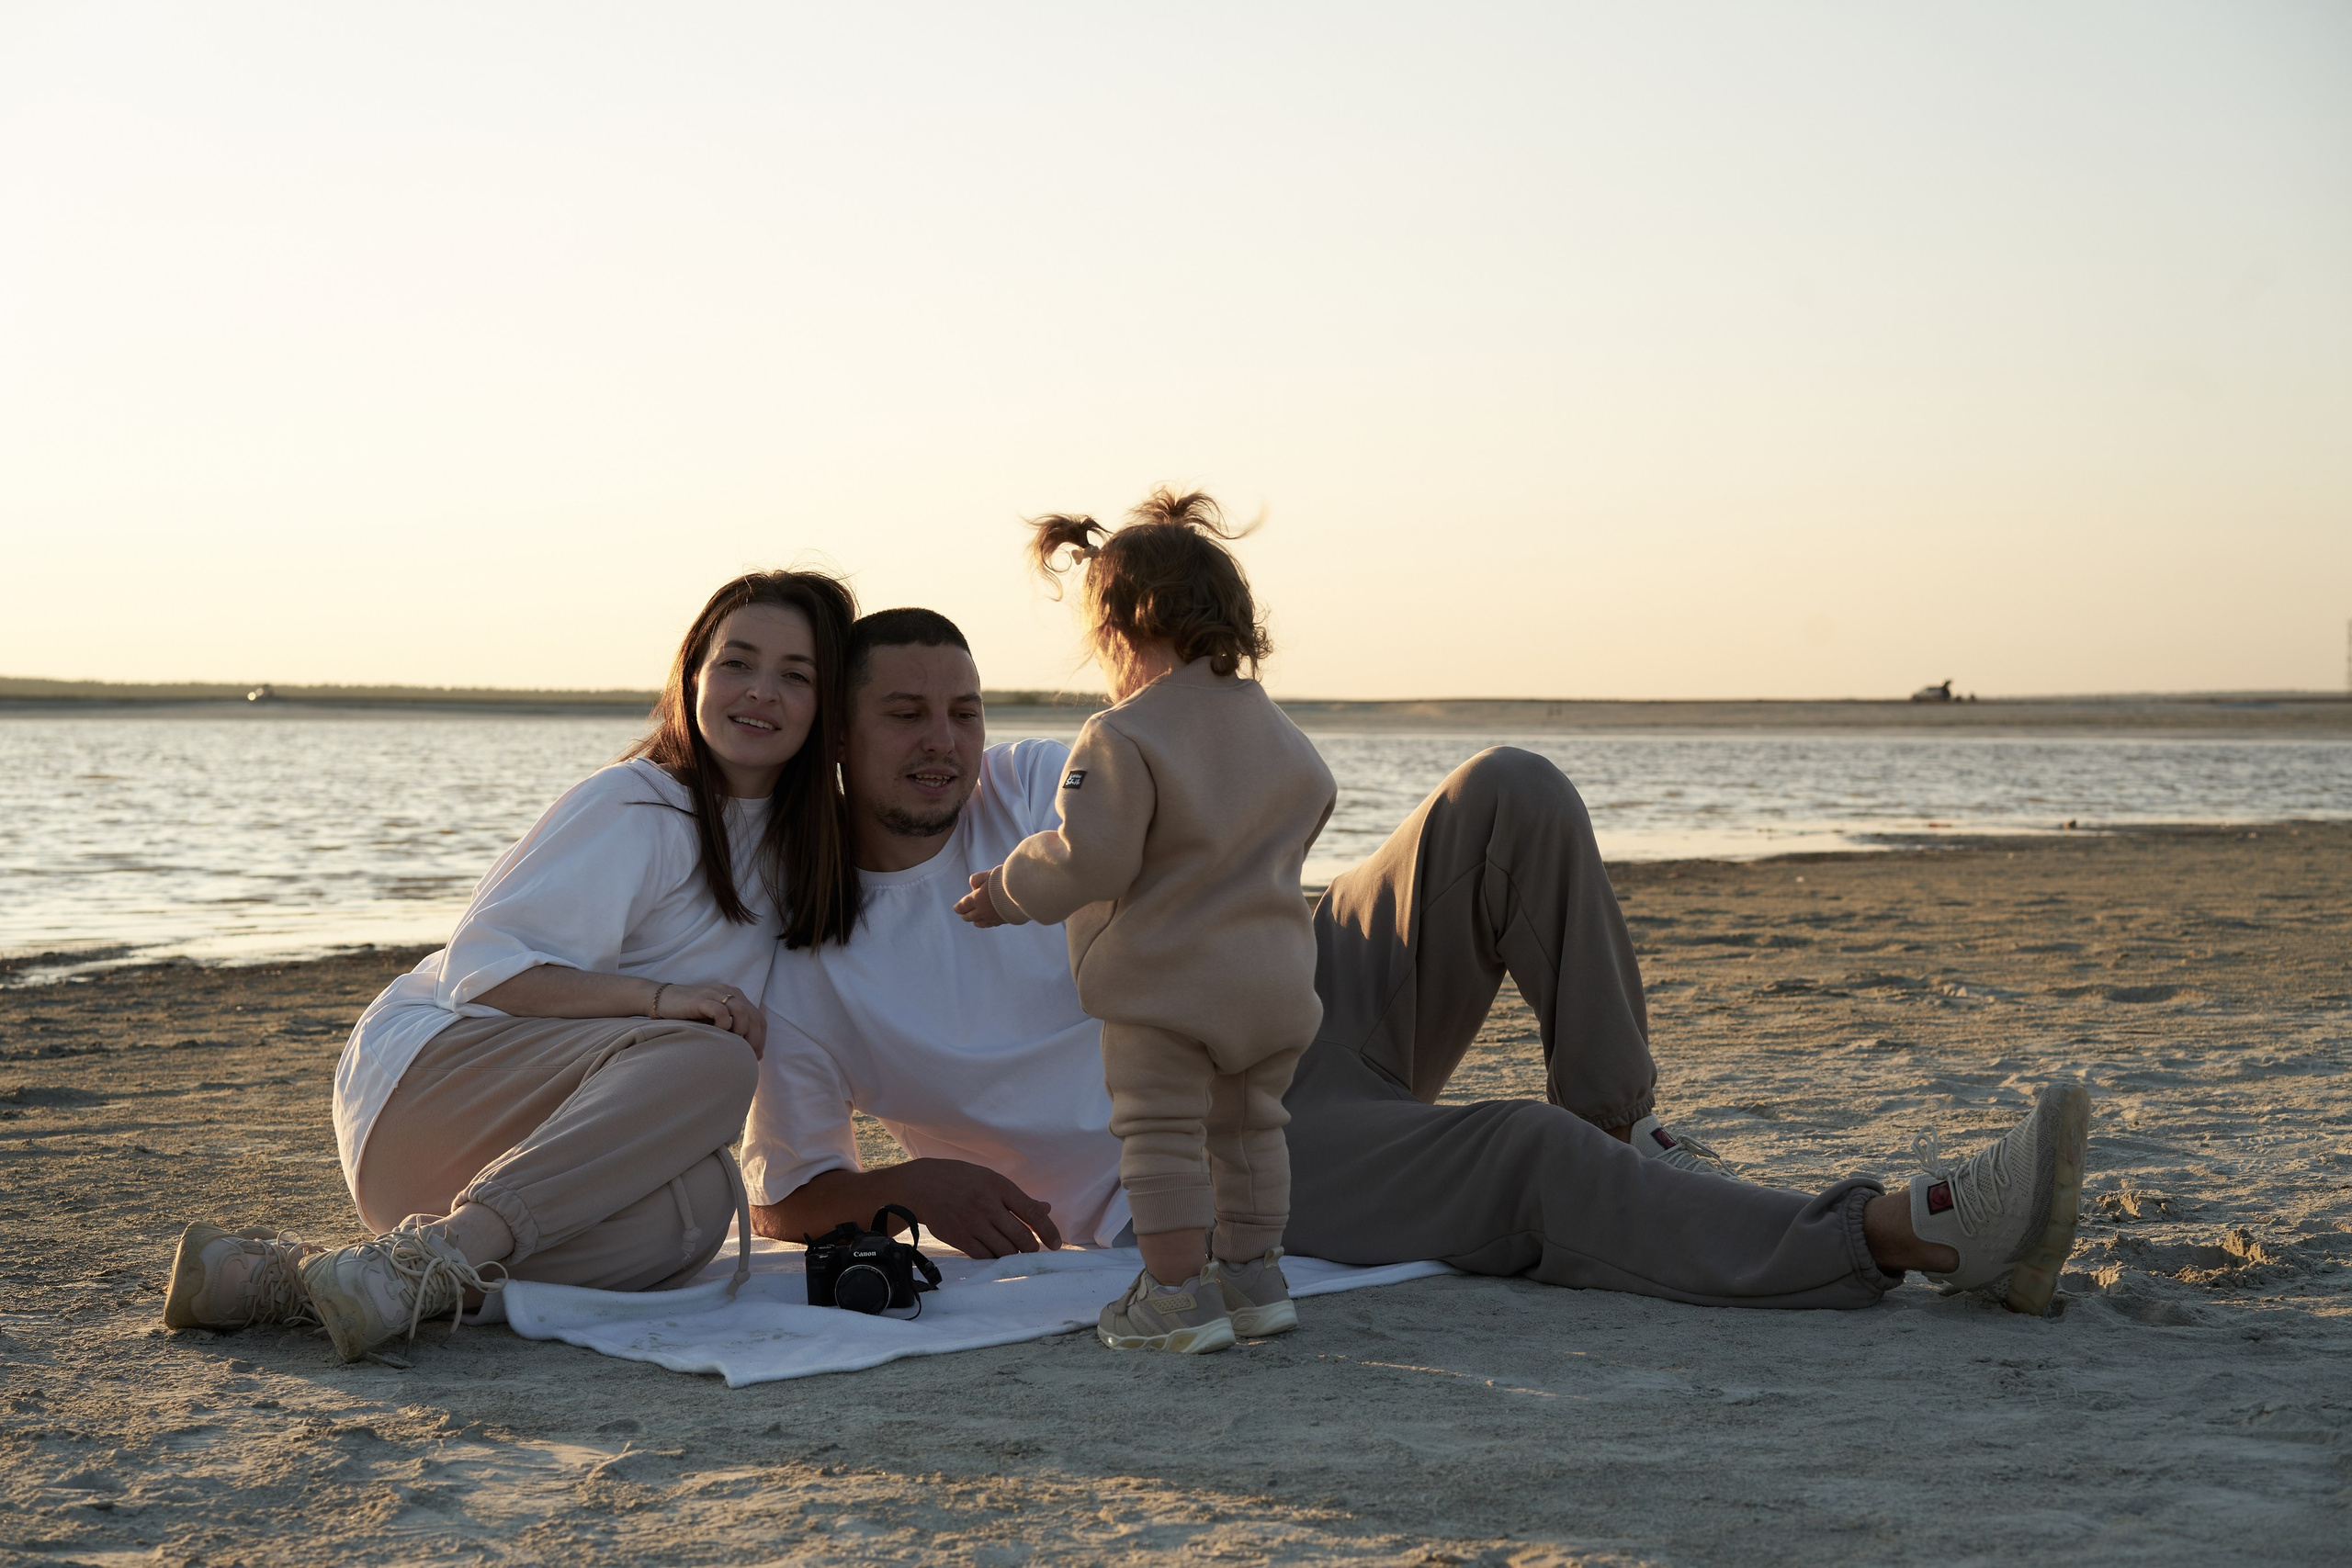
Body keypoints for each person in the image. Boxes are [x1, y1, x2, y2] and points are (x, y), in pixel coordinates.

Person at [747, 599, 2089, 1320]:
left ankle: (1621, 1125)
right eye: (907, 714)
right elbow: (790, 1194)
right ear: (840, 741)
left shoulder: (1038, 780)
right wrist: (909, 1179)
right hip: (1204, 1146)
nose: (947, 742)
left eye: (965, 709)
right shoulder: (805, 959)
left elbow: (1189, 749)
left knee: (1507, 790)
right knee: (1517, 1154)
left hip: (1295, 995)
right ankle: (1901, 1232)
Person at [162, 569, 863, 1359]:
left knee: (700, 1208)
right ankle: (442, 1249)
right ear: (694, 673)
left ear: (828, 706)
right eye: (737, 662)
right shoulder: (638, 803)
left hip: (526, 1162)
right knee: (718, 1057)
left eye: (796, 675)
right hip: (424, 1085)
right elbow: (485, 970)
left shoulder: (806, 851)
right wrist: (661, 998)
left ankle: (321, 1281)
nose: (761, 691)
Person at [952, 493, 1337, 1354]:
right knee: (1251, 1129)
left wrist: (1007, 889)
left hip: (1168, 984)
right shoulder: (1278, 729)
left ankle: (1172, 1294)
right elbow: (1315, 801)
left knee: (1162, 1132)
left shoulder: (1120, 734)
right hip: (1276, 980)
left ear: (1120, 629)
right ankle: (1255, 1281)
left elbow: (1089, 857)